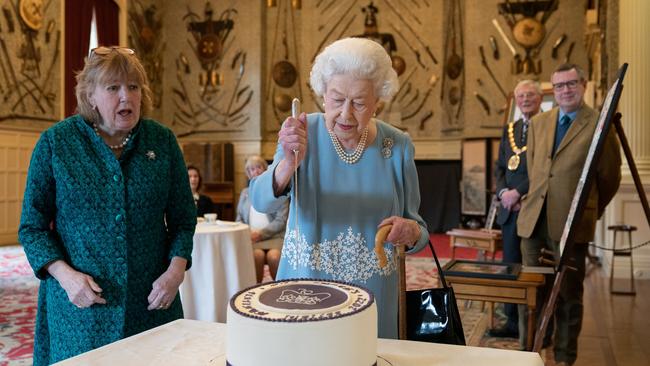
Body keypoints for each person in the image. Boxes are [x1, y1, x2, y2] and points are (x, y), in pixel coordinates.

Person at [18, 46, 196, 365]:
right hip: (80, 309)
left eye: (133, 87)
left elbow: (183, 219)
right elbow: (32, 228)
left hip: (151, 304)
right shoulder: (56, 143)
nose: (126, 97)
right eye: (113, 88)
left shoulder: (162, 141)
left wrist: (176, 272)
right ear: (90, 96)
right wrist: (66, 276)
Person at [249, 37, 429, 339]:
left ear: (377, 102)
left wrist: (410, 232)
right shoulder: (301, 131)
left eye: (359, 103)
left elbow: (419, 230)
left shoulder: (397, 145)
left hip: (374, 295)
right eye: (336, 99)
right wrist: (287, 165)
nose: (346, 113)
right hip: (306, 291)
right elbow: (260, 201)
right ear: (322, 95)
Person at [516, 63, 621, 364]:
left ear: (583, 85)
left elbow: (609, 179)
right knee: (531, 294)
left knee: (567, 297)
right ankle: (530, 352)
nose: (565, 90)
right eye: (559, 86)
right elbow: (537, 171)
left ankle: (564, 357)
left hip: (570, 226)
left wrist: (590, 212)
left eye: (571, 84)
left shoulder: (599, 124)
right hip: (533, 223)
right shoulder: (540, 122)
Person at [490, 80, 543, 339]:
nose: (525, 99)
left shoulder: (548, 127)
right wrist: (503, 193)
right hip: (509, 209)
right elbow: (500, 166)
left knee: (532, 268)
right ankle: (511, 323)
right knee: (510, 265)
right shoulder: (511, 128)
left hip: (534, 208)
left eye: (530, 95)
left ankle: (535, 325)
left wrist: (518, 192)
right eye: (521, 95)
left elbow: (543, 169)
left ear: (540, 97)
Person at [236, 155, 289, 283]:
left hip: (275, 236)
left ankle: (281, 289)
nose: (256, 171)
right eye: (251, 169)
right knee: (256, 256)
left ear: (266, 169)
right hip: (252, 239)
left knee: (274, 257)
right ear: (248, 174)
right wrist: (247, 233)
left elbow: (281, 220)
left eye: (258, 167)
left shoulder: (278, 190)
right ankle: (255, 291)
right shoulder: (244, 193)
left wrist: (260, 234)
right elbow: (239, 219)